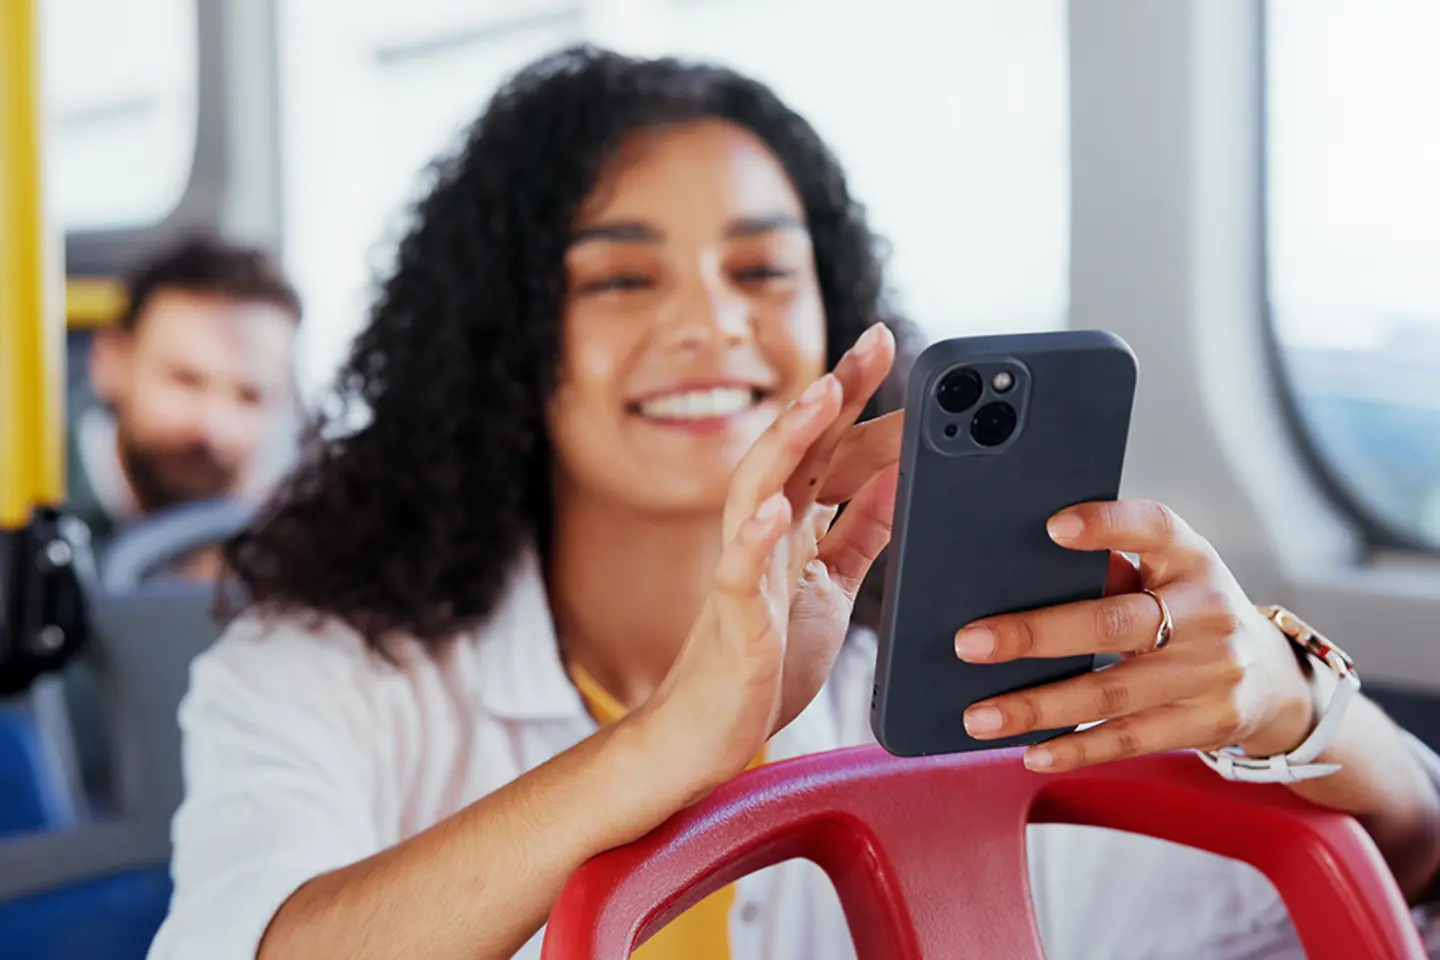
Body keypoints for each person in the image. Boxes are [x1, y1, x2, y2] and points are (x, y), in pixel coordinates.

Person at [149, 47, 1440, 960]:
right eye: (618, 282)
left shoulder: (968, 682)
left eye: (763, 269)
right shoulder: (321, 673)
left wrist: (1294, 704)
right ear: (500, 342)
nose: (712, 322)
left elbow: (1381, 892)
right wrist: (670, 747)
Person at [69, 234, 301, 570]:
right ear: (110, 362)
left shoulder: (285, 532)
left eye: (250, 396)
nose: (212, 428)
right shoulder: (22, 500)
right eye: (186, 381)